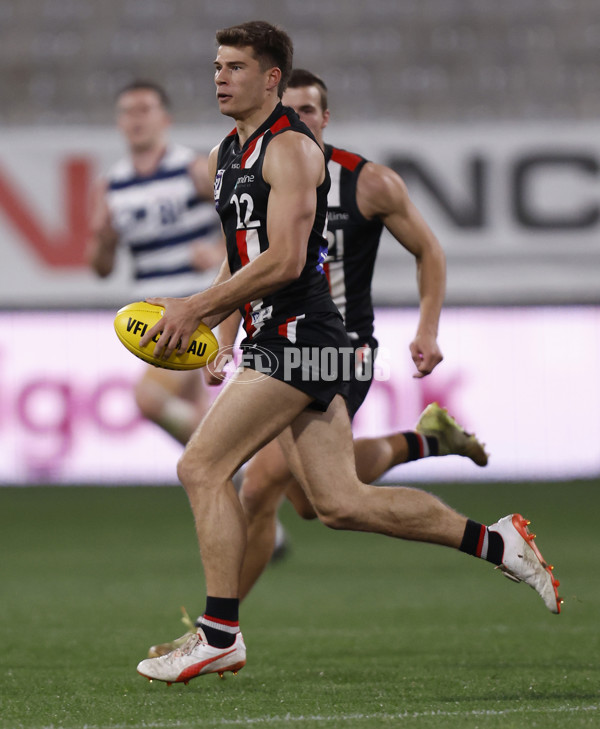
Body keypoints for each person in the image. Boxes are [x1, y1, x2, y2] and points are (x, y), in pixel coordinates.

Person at [135, 21, 562, 686]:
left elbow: (286, 259)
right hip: (282, 338)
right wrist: (219, 328)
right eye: (218, 65)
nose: (220, 76)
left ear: (272, 78)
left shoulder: (292, 151)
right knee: (338, 503)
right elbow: (241, 255)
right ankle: (496, 540)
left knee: (203, 466)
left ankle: (219, 632)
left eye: (236, 67)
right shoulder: (227, 152)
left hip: (301, 338)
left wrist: (198, 305)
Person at [87, 80, 225, 445]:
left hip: (194, 310)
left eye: (144, 110)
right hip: (150, 315)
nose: (136, 119)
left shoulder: (191, 169)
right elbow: (100, 269)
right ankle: (231, 481)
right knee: (198, 410)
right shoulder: (110, 187)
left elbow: (244, 216)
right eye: (128, 112)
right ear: (118, 122)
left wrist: (217, 252)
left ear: (165, 118)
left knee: (149, 398)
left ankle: (229, 457)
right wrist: (103, 240)